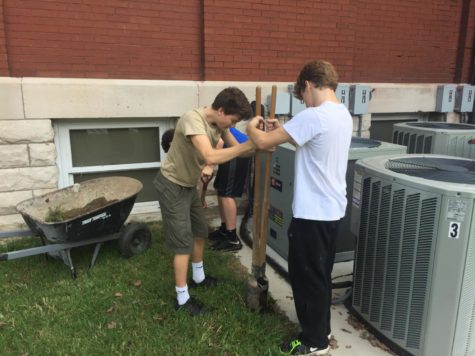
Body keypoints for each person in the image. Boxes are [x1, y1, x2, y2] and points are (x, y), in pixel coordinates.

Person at [246, 60, 352, 355]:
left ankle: (313, 341)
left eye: (302, 95)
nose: (303, 101)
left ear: (307, 85)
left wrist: (249, 127)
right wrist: (287, 128)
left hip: (312, 213)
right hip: (332, 211)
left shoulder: (313, 116)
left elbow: (264, 141)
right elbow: (311, 143)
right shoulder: (342, 114)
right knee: (320, 274)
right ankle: (323, 328)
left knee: (306, 277)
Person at [153, 87, 255, 316]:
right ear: (221, 110)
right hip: (171, 185)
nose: (232, 125)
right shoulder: (193, 119)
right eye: (233, 120)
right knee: (183, 243)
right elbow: (210, 156)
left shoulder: (220, 124)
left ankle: (198, 277)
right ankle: (182, 299)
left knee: (200, 231)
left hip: (188, 186)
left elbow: (242, 150)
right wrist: (246, 146)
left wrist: (257, 141)